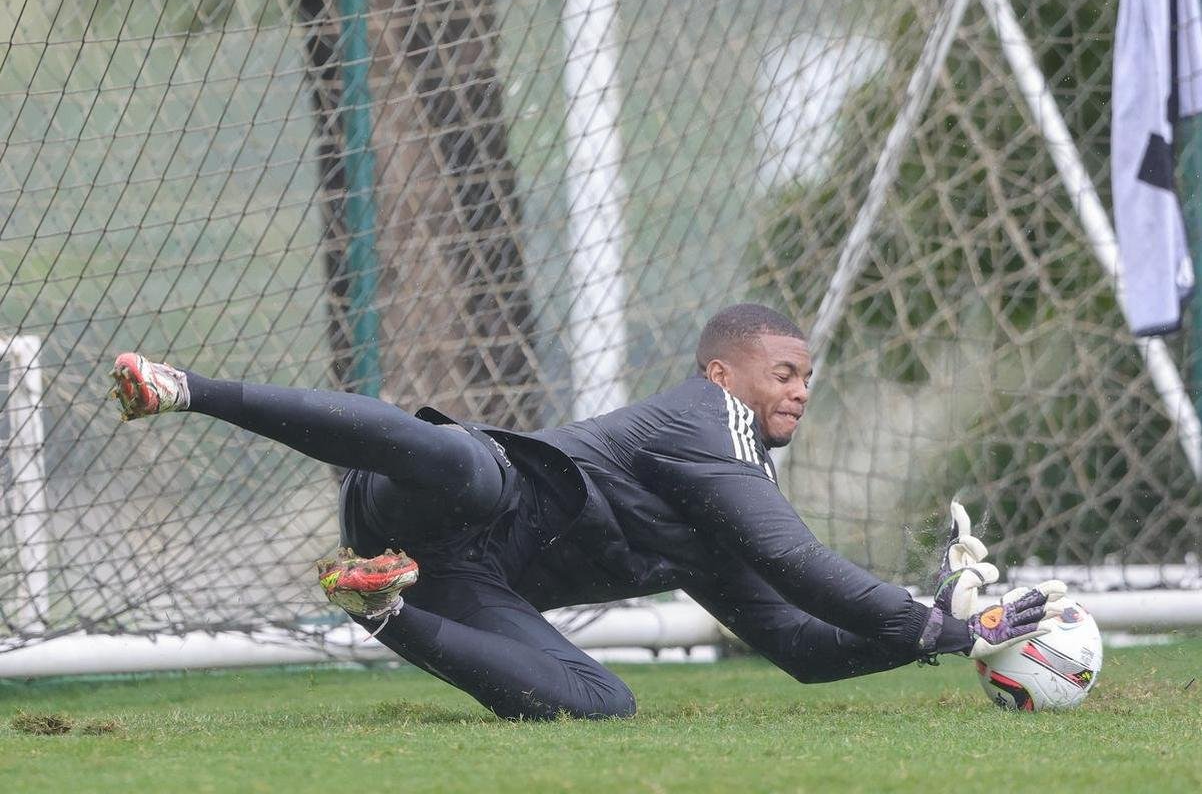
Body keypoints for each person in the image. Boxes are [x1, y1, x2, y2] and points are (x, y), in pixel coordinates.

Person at [110, 303, 1064, 720]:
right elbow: (799, 556)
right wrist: (937, 619)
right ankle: (186, 388)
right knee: (466, 463)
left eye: (810, 378)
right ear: (722, 374)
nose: (801, 391)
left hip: (456, 583)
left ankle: (379, 608)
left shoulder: (726, 510)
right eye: (785, 372)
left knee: (604, 703)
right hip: (453, 492)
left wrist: (940, 637)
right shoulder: (708, 421)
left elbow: (803, 644)